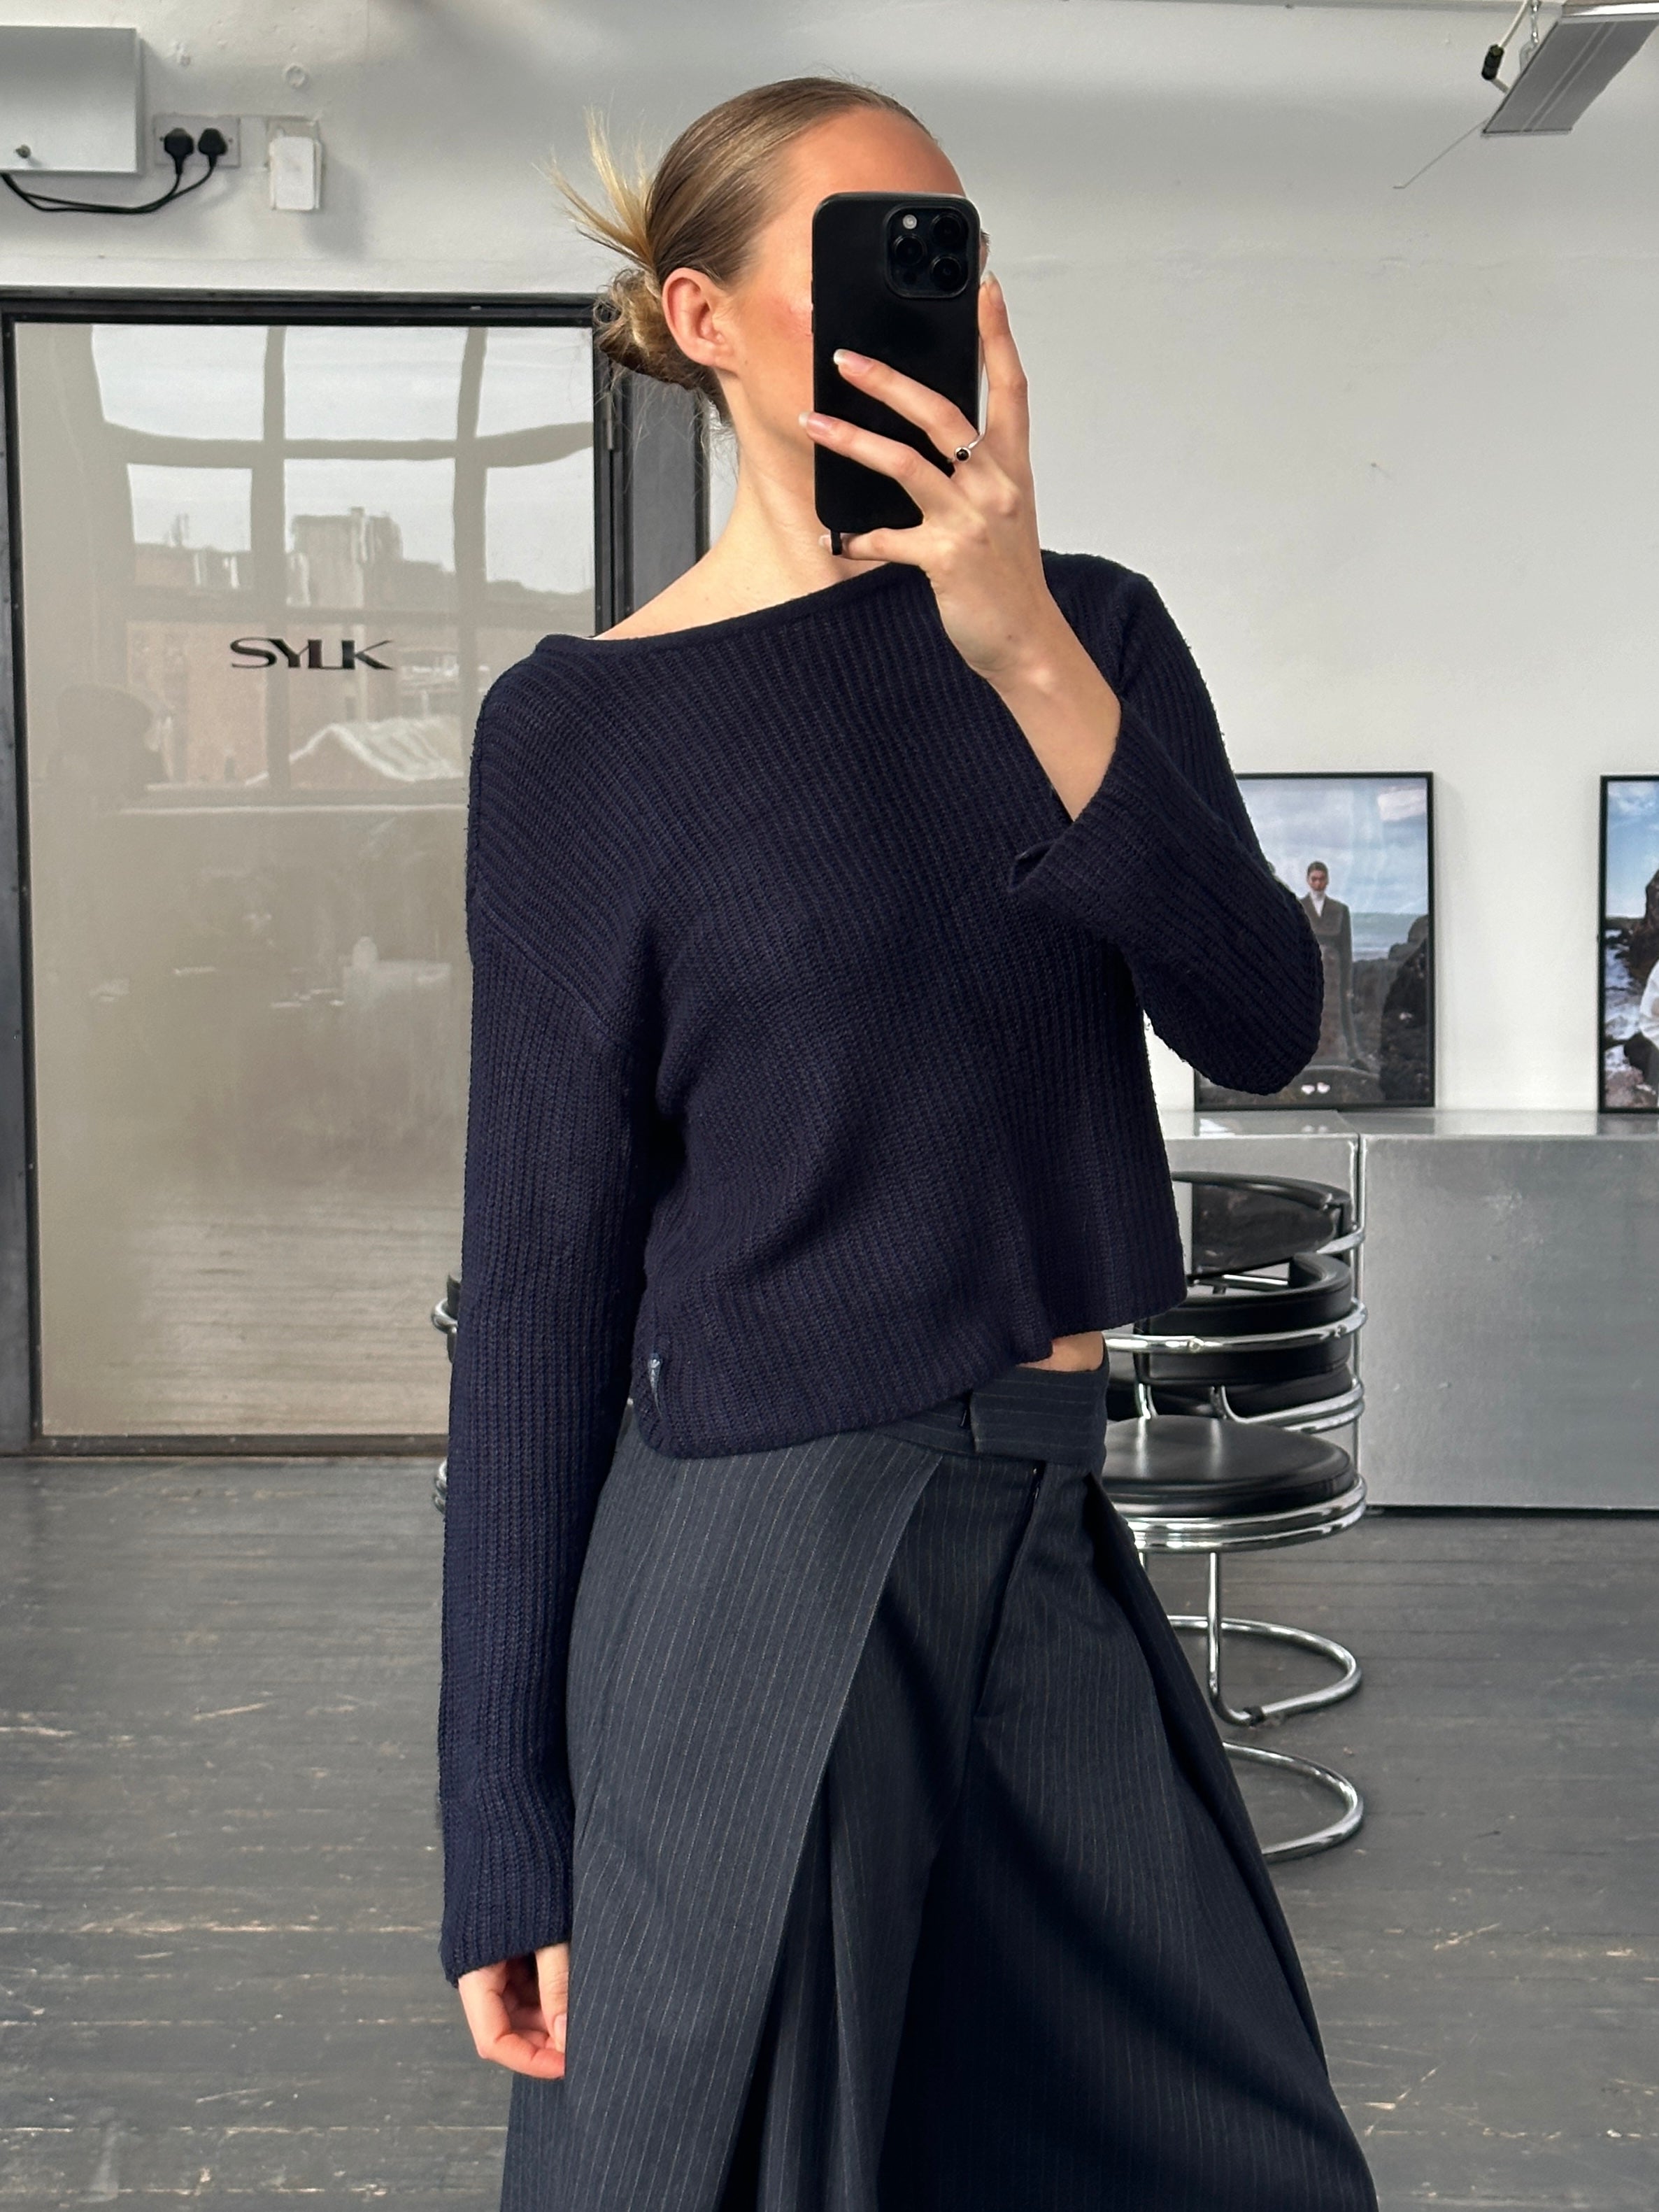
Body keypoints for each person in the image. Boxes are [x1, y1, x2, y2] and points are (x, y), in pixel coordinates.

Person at [439, 73, 1373, 2212]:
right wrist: (501, 1821)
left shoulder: (1087, 633)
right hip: (753, 1556)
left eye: (948, 252)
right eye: (867, 253)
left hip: (1039, 1520)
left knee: (1228, 2158)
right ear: (701, 317)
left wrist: (1016, 632)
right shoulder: (582, 731)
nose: (926, 299)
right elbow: (540, 1282)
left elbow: (1260, 1016)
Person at [1300, 859, 1362, 1066]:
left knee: (1338, 1012)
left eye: (1321, 879)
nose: (1318, 884)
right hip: (1309, 968)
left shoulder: (1340, 910)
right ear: (1308, 881)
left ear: (1327, 881)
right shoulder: (1299, 907)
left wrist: (1348, 984)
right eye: (1314, 879)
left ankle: (1344, 1055)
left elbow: (1346, 948)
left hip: (1334, 972)